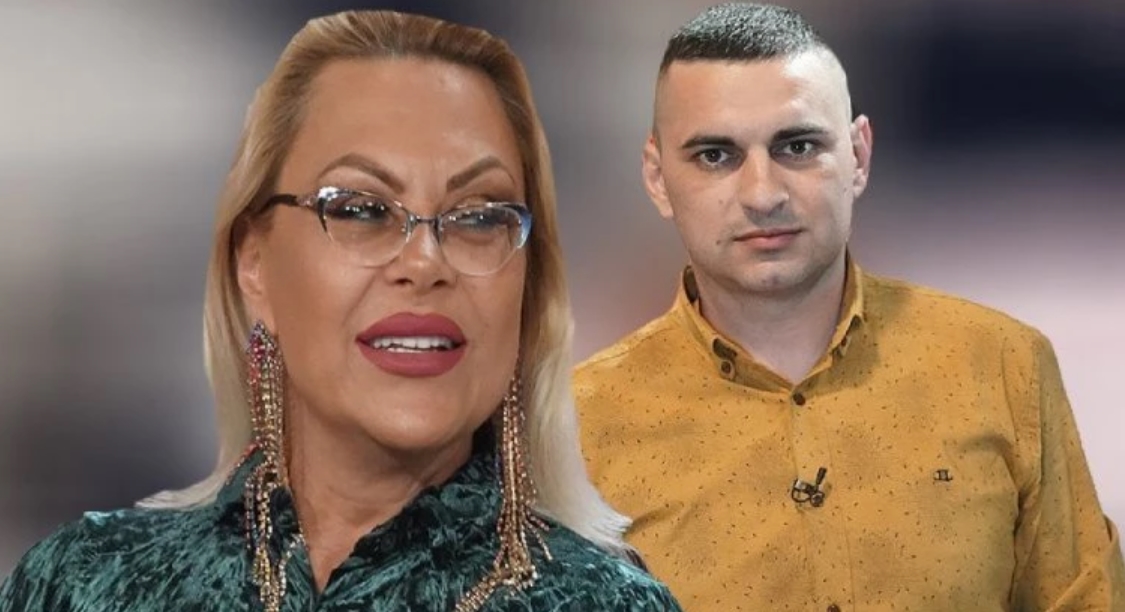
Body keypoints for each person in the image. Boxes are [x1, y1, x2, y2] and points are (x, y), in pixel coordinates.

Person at [0, 10, 681, 612]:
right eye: (359, 210)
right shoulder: (85, 583)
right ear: (254, 263)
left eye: (478, 217)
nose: (424, 262)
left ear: (530, 288)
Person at [574, 3, 1125, 610]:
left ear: (859, 156)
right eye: (716, 156)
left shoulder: (1001, 368)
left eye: (797, 146)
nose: (762, 194)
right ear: (657, 176)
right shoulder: (577, 428)